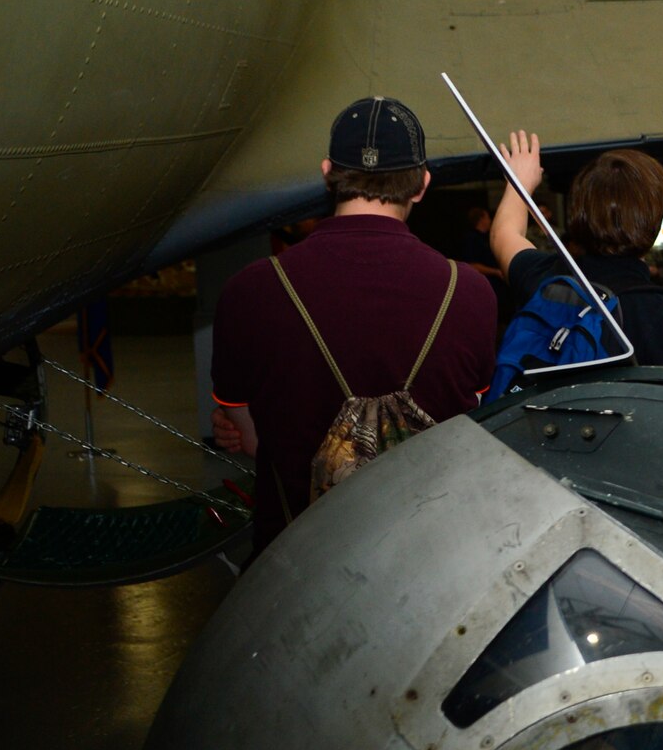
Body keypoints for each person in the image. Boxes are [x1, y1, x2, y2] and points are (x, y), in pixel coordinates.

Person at [211, 97, 497, 555]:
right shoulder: (469, 292)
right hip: (430, 558)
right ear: (422, 184)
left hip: (295, 561)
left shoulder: (251, 289)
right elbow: (472, 417)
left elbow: (248, 436)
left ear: (328, 173)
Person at [489, 138, 663, 367]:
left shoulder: (546, 281)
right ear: (654, 224)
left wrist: (518, 183)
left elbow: (503, 235)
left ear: (577, 213)